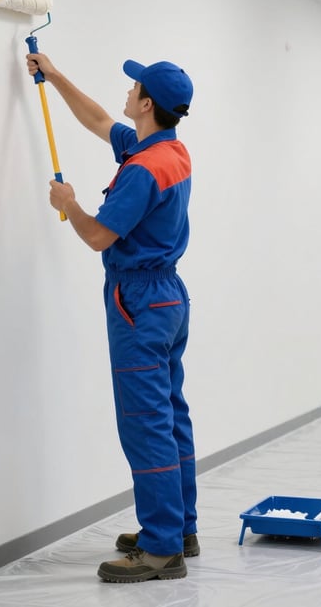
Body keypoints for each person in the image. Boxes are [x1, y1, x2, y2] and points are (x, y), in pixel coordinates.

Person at [26, 52, 199, 583]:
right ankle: (180, 529)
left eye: (135, 87)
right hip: (167, 299)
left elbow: (100, 236)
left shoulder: (142, 171)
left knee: (145, 424)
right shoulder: (167, 150)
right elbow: (99, 120)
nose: (127, 92)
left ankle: (161, 549)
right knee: (169, 415)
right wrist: (54, 76)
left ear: (147, 104)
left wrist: (69, 203)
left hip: (139, 302)